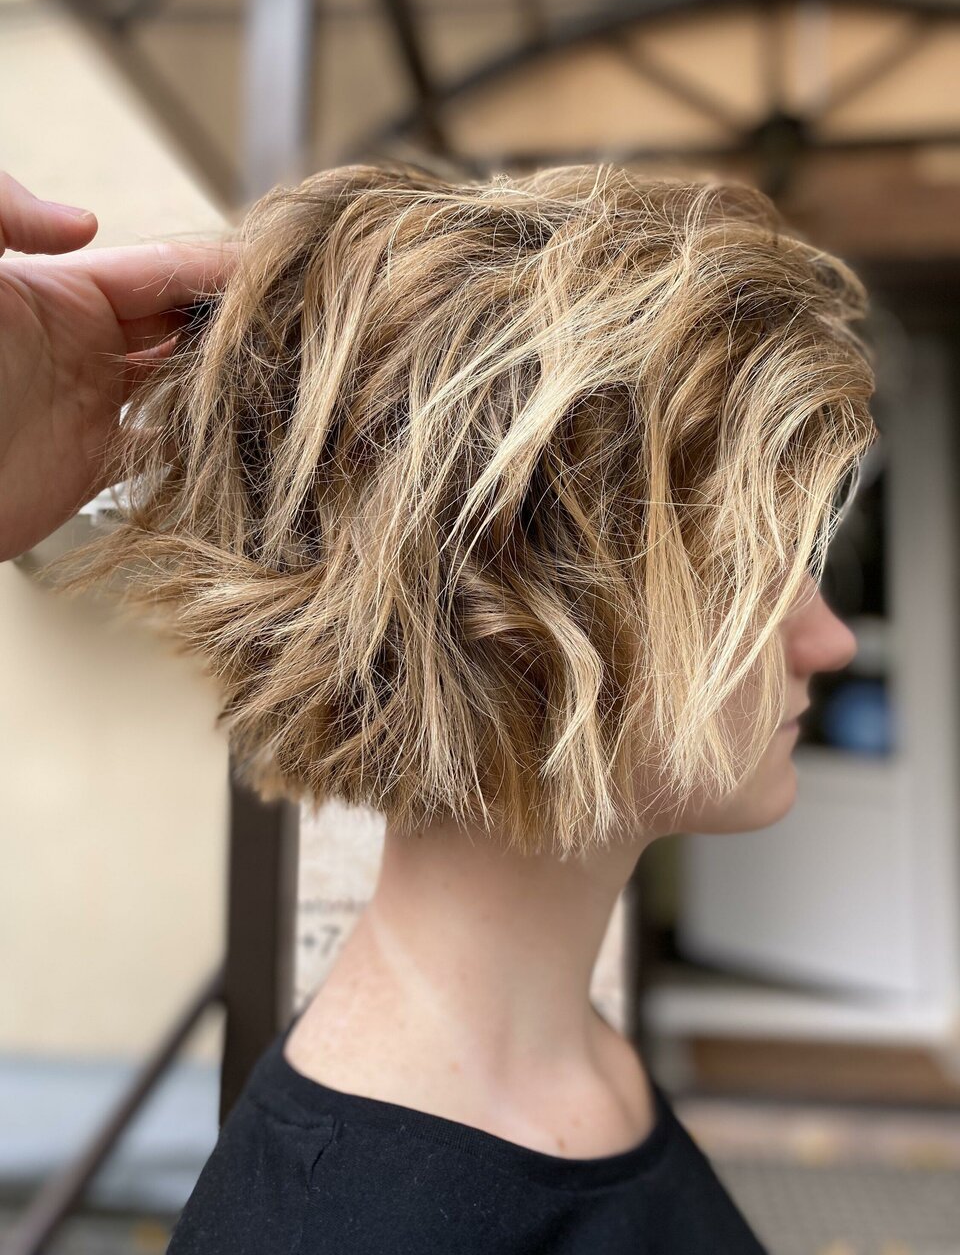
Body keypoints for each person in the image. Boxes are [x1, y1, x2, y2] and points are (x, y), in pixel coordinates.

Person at [3, 162, 877, 1253]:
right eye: (751, 567)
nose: (830, 640)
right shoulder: (348, 1230)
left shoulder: (561, 1062)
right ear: (520, 609)